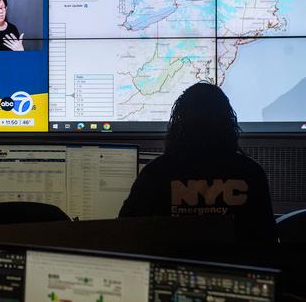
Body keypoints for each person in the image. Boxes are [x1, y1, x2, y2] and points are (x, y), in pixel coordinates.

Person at [119, 82, 277, 243]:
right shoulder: (251, 173)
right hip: (237, 267)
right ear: (228, 124)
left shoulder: (156, 173)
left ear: (179, 124)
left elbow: (124, 233)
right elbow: (267, 242)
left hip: (172, 267)